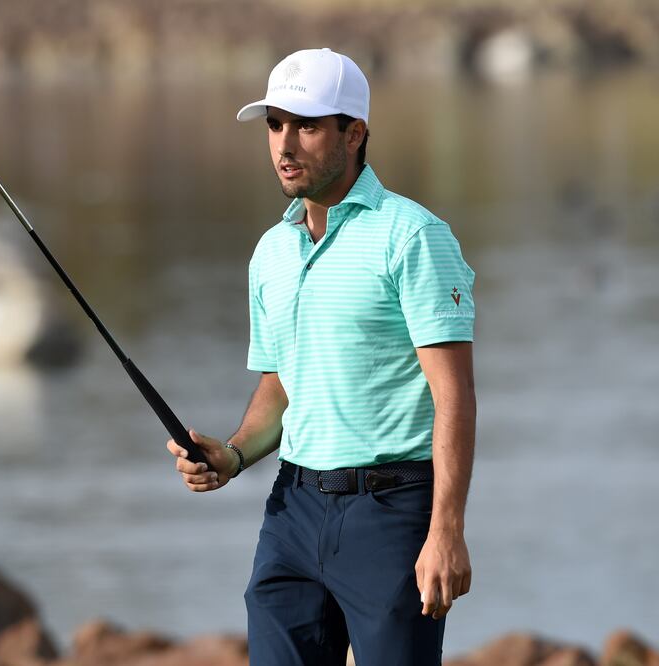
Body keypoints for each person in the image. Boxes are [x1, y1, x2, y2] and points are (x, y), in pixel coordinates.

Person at [167, 47, 476, 666]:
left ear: (354, 133)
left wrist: (446, 531)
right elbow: (282, 385)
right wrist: (230, 454)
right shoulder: (270, 253)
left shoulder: (411, 235)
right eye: (275, 125)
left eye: (306, 126)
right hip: (292, 512)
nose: (285, 145)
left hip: (391, 512)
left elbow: (454, 394)